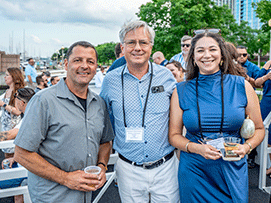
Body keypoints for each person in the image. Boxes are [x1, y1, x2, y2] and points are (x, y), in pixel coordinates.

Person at [168, 31, 265, 203]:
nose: (207, 55)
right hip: (194, 171)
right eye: (200, 50)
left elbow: (259, 129)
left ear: (221, 54)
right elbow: (174, 136)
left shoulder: (242, 86)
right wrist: (197, 148)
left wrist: (247, 147)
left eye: (212, 49)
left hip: (231, 168)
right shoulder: (181, 90)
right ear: (193, 57)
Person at [14, 41, 114, 203]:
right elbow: (21, 154)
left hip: (86, 195)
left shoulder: (99, 103)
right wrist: (66, 178)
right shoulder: (43, 101)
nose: (84, 66)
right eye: (78, 60)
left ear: (96, 68)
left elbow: (105, 141)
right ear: (66, 64)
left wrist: (102, 166)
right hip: (52, 196)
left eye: (90, 62)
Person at [100, 20, 179, 202]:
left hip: (165, 167)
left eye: (143, 42)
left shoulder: (166, 76)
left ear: (151, 47)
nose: (138, 48)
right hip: (129, 170)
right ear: (123, 47)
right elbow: (103, 120)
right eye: (131, 43)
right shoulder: (110, 80)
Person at [0, 87, 35, 203]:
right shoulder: (34, 114)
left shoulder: (29, 118)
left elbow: (9, 135)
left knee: (3, 182)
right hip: (28, 163)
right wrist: (15, 157)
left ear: (21, 102)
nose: (13, 100)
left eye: (15, 97)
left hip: (30, 168)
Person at [237, 45, 268, 168]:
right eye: (239, 54)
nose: (242, 57)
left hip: (248, 102)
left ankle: (251, 157)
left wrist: (247, 79)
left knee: (251, 129)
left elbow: (259, 83)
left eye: (244, 55)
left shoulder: (252, 67)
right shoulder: (229, 65)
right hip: (233, 101)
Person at [0, 67, 25, 158]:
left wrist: (3, 104)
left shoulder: (18, 92)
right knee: (7, 154)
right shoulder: (7, 91)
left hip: (13, 127)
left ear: (14, 77)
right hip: (5, 126)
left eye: (7, 75)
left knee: (12, 155)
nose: (4, 77)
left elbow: (18, 111)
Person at [255, 60, 271, 176]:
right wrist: (267, 76)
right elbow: (257, 82)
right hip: (266, 103)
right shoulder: (268, 65)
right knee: (268, 138)